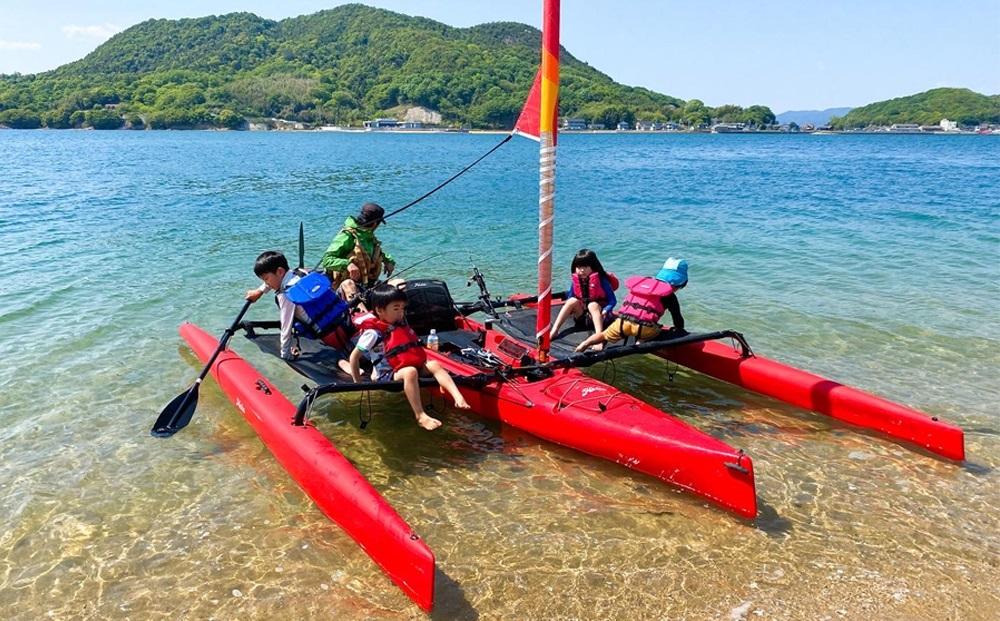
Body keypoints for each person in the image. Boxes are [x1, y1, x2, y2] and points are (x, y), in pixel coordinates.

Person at [349, 284, 470, 430]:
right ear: (380, 311)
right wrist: (358, 384)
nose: (401, 313)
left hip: (406, 365)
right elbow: (354, 357)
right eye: (396, 309)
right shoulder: (374, 334)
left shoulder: (400, 325)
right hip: (387, 375)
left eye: (402, 308)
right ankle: (420, 415)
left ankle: (458, 397)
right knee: (410, 371)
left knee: (434, 365)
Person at [245, 251, 353, 373]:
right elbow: (278, 279)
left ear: (280, 271)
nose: (266, 283)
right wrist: (260, 291)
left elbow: (286, 327)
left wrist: (286, 354)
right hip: (347, 322)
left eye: (266, 279)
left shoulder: (286, 295)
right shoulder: (303, 272)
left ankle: (350, 368)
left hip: (329, 337)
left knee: (331, 358)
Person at [575, 257, 688, 352]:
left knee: (604, 335)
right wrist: (679, 331)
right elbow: (677, 319)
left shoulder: (644, 285)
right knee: (657, 329)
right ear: (680, 283)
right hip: (643, 328)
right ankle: (640, 342)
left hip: (622, 322)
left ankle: (586, 342)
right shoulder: (670, 296)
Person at [318, 202, 396, 303]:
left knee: (398, 284)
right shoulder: (347, 236)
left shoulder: (369, 237)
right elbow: (326, 260)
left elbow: (376, 254)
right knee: (349, 285)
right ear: (375, 224)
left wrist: (388, 261)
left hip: (368, 285)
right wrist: (348, 264)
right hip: (346, 287)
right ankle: (358, 314)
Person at [549, 249, 618, 342]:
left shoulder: (602, 281)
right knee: (571, 301)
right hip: (582, 317)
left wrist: (606, 310)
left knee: (592, 305)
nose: (581, 270)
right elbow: (571, 296)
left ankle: (599, 338)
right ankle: (554, 330)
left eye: (585, 267)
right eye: (578, 267)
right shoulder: (576, 281)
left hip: (601, 318)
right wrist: (571, 308)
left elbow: (612, 300)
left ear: (593, 266)